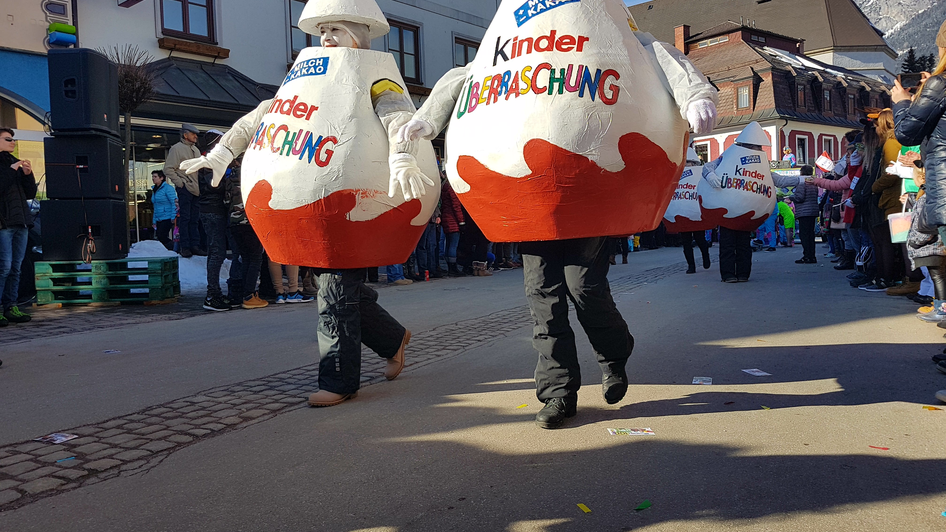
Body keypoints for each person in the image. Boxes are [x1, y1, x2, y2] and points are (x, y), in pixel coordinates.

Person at [398, 6, 719, 428]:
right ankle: (558, 394)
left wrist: (695, 94)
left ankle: (615, 353)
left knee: (583, 286)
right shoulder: (514, 30)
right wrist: (427, 118)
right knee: (543, 299)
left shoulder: (602, 20)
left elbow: (655, 52)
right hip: (526, 193)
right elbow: (469, 73)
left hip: (590, 186)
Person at [180, 0, 425, 407]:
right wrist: (221, 153)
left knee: (333, 292)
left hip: (358, 197)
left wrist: (401, 154)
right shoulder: (309, 79)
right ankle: (393, 337)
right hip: (314, 200)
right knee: (338, 288)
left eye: (336, 30)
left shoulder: (377, 77)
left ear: (358, 34)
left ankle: (339, 380)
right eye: (322, 31)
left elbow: (396, 112)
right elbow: (264, 114)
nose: (326, 38)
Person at [702, 124, 803, 282]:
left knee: (743, 244)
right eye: (755, 146)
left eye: (758, 147)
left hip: (746, 213)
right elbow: (708, 166)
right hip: (727, 209)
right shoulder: (728, 157)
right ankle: (728, 274)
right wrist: (710, 175)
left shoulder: (760, 165)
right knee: (728, 244)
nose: (758, 149)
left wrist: (801, 179)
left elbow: (778, 180)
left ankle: (743, 273)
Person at [0, 128, 35, 326]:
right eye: (7, 139)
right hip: (4, 222)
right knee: (3, 266)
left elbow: (29, 193)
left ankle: (11, 306)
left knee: (16, 267)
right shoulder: (8, 167)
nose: (12, 142)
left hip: (21, 221)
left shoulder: (13, 163)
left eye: (13, 139)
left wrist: (28, 175)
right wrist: (12, 170)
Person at [226, 157, 268, 309]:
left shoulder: (230, 178)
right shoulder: (252, 176)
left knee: (246, 258)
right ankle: (250, 295)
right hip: (250, 222)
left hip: (234, 223)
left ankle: (247, 293)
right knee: (256, 258)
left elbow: (226, 201)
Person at [164, 124, 206, 258]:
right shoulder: (176, 149)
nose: (196, 136)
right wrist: (180, 183)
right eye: (193, 134)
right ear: (185, 135)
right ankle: (185, 247)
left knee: (194, 218)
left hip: (195, 188)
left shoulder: (196, 150)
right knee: (186, 218)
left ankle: (194, 245)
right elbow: (168, 169)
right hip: (186, 188)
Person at [794, 165, 820, 263]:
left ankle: (807, 256)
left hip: (804, 212)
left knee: (804, 235)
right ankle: (812, 256)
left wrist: (792, 197)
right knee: (810, 234)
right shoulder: (814, 184)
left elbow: (800, 198)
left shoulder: (802, 184)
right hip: (813, 210)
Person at [440, 179, 466, 276]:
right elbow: (456, 206)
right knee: (453, 245)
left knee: (449, 244)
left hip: (446, 218)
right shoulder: (452, 189)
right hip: (453, 220)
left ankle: (450, 266)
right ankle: (453, 268)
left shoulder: (444, 187)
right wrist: (461, 222)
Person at [151, 170, 178, 251]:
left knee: (162, 236)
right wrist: (154, 220)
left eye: (155, 177)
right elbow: (155, 206)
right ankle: (170, 250)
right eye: (152, 177)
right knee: (160, 236)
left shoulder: (168, 188)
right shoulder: (154, 190)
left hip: (167, 216)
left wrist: (173, 216)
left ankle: (174, 248)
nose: (153, 178)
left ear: (161, 178)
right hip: (159, 217)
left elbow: (174, 202)